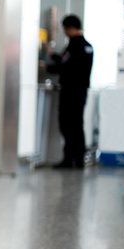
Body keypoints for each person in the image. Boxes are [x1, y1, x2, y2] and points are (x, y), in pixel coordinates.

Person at [45, 14, 93, 168]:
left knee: (67, 126)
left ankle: (68, 160)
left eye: (64, 29)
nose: (64, 33)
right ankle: (78, 160)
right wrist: (53, 54)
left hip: (70, 93)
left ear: (70, 28)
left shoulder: (74, 45)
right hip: (81, 92)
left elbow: (65, 67)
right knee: (77, 126)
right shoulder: (88, 46)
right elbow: (70, 63)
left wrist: (45, 67)